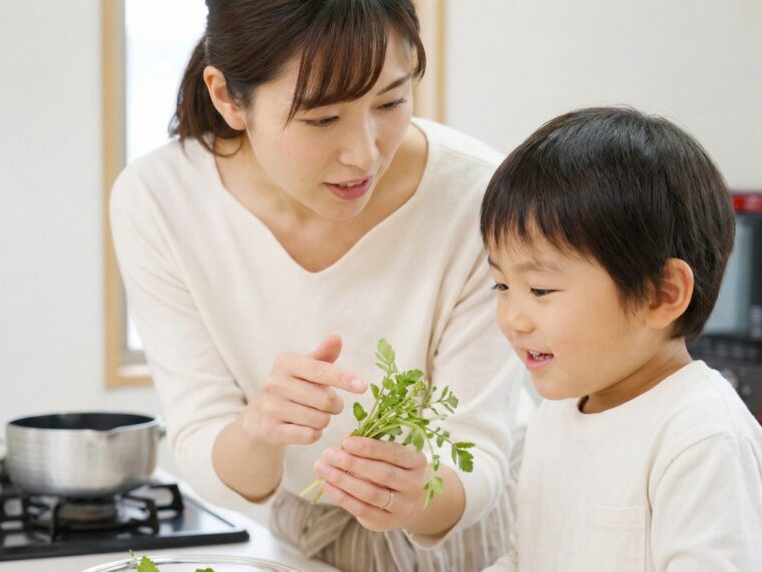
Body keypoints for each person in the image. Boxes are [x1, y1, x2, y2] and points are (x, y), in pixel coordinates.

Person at [110, 1, 531, 570]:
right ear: (228, 97)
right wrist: (260, 428)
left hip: (467, 535)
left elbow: (477, 449)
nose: (364, 153)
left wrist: (414, 491)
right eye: (321, 119)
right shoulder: (159, 201)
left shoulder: (477, 195)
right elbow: (206, 445)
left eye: (391, 102)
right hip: (308, 535)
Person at [480, 107, 762, 571]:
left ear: (661, 294)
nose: (513, 318)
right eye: (502, 286)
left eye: (540, 290)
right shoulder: (556, 415)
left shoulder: (703, 437)